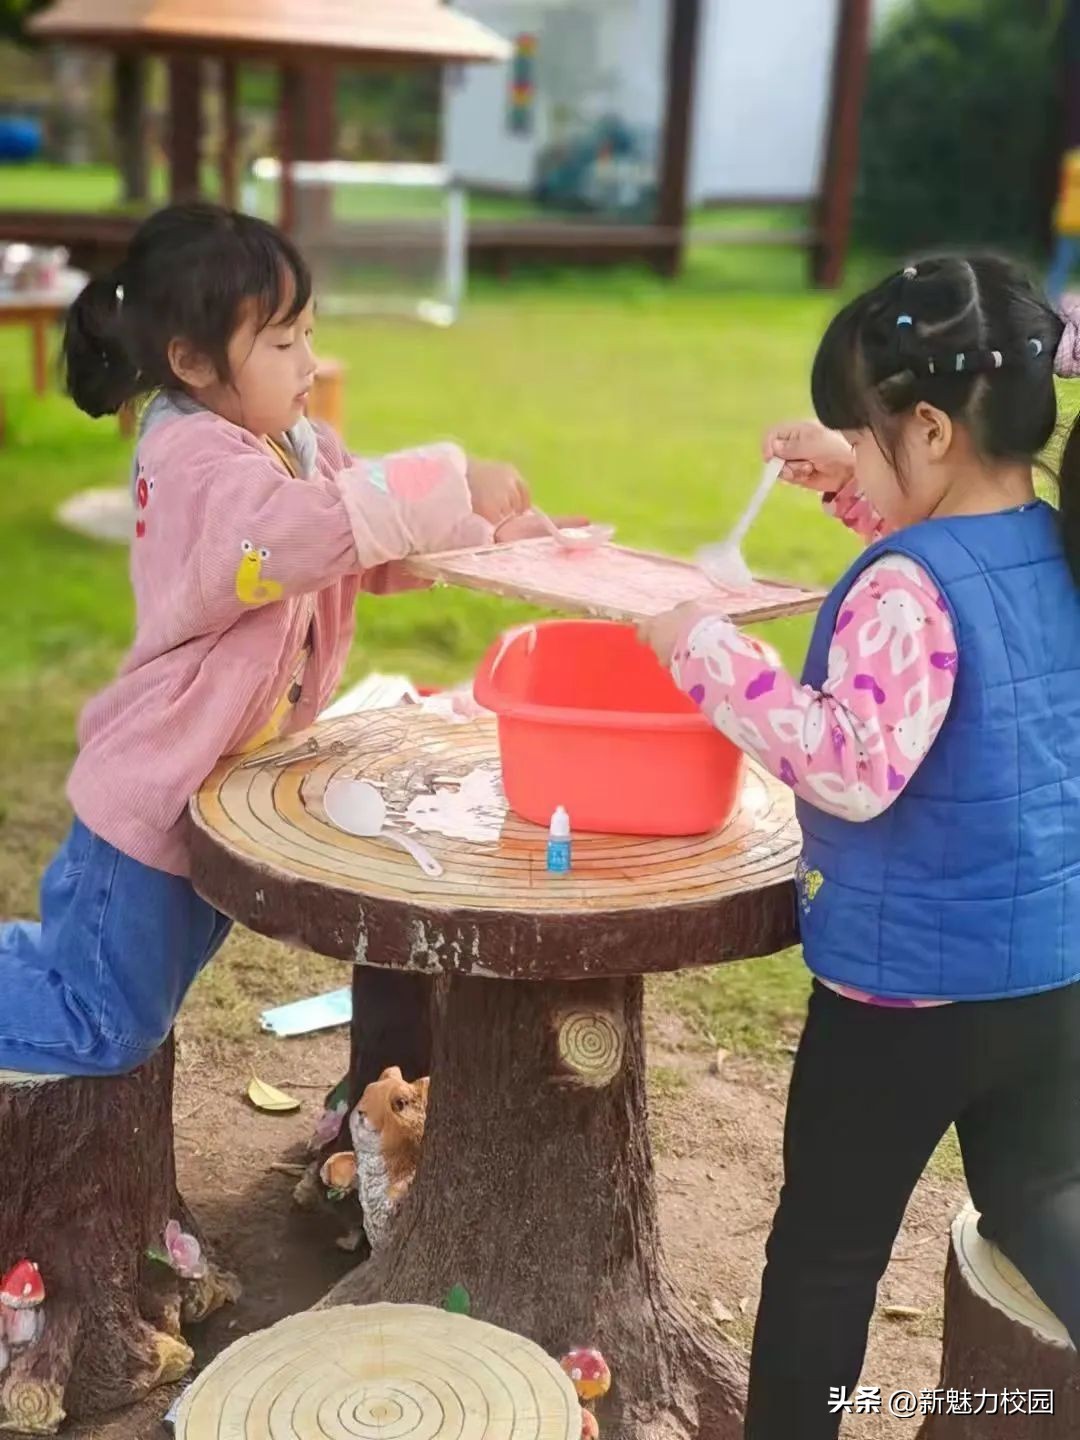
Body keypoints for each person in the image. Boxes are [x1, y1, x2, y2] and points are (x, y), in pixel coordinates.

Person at [640, 255, 1080, 1439]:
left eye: (869, 439)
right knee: (1042, 1195)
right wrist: (856, 476)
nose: (859, 462)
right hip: (1048, 977)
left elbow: (849, 761)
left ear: (930, 429)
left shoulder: (906, 589)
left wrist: (704, 648)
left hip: (901, 1000)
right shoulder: (1061, 543)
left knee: (828, 1256)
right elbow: (959, 590)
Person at [0, 202, 556, 1079]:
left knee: (110, 988)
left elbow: (363, 548)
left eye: (311, 333)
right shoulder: (194, 465)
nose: (309, 361)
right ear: (191, 362)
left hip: (211, 790)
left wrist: (491, 540)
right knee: (105, 1027)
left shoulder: (293, 445)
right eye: (283, 341)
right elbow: (311, 529)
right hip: (151, 799)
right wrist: (453, 473)